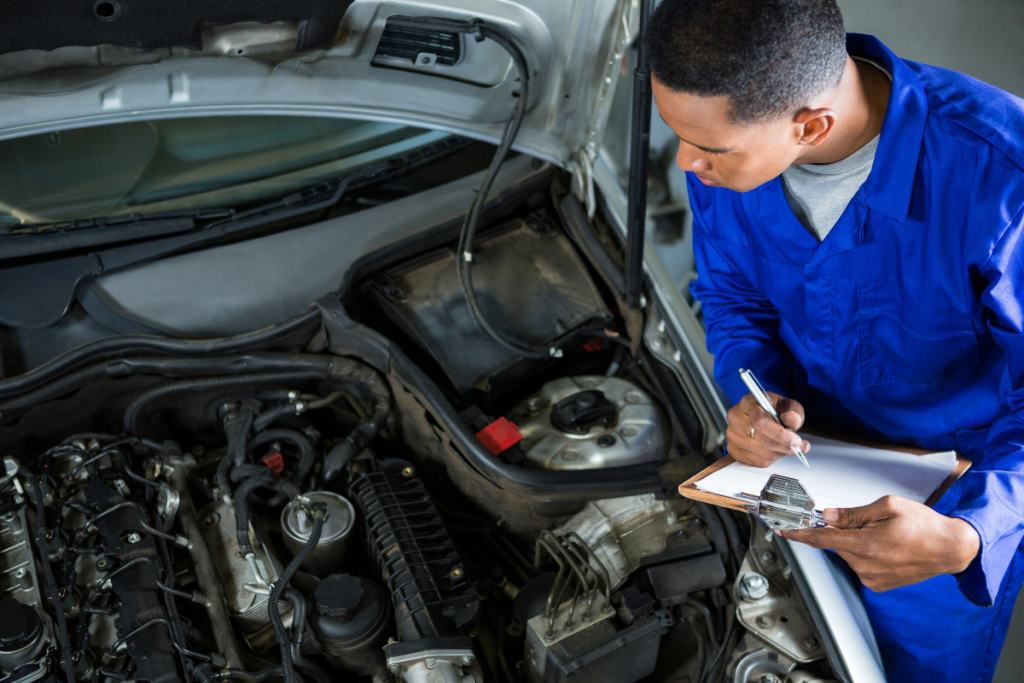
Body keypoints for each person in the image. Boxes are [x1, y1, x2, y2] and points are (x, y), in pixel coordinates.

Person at [645, 0, 1024, 680]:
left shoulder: (1003, 179)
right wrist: (752, 391)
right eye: (676, 132)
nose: (686, 162)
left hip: (939, 513)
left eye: (709, 148)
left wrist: (972, 533)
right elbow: (733, 297)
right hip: (793, 480)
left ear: (811, 125)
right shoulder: (725, 152)